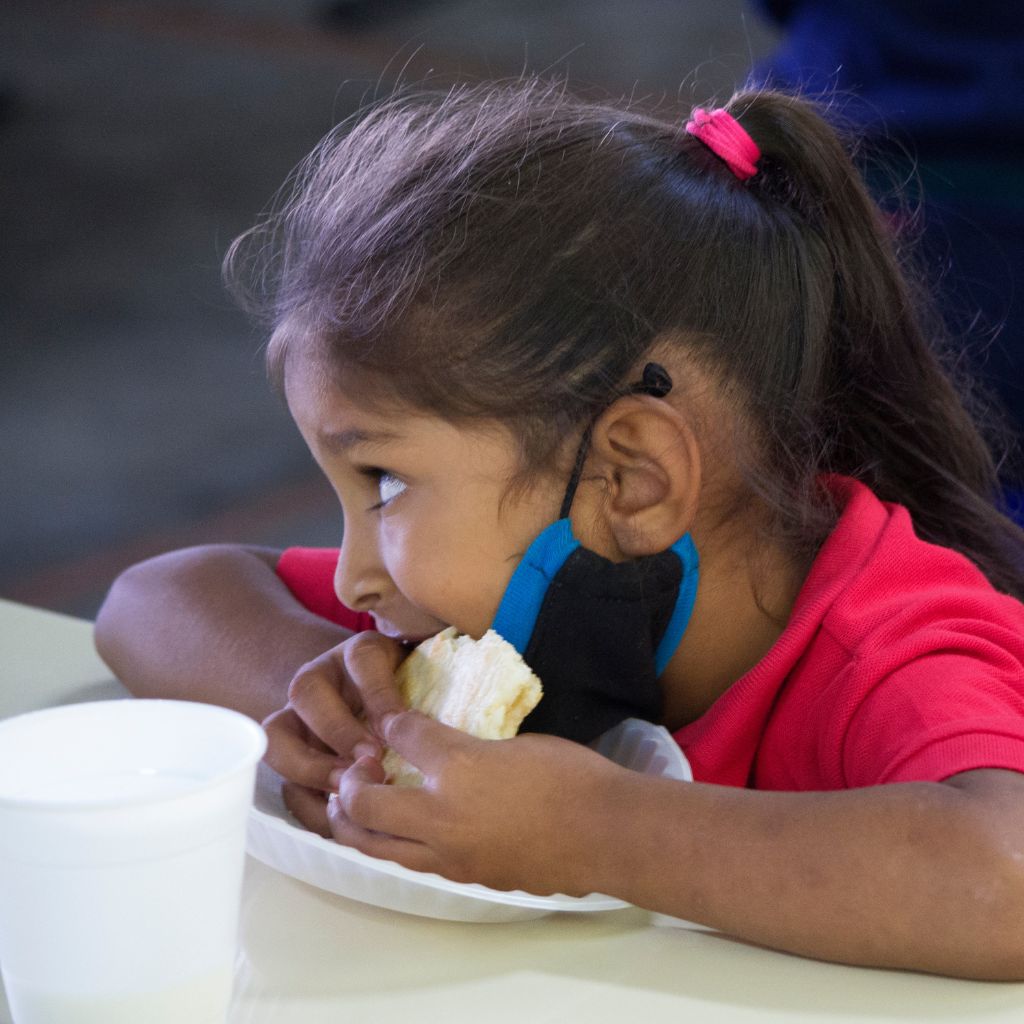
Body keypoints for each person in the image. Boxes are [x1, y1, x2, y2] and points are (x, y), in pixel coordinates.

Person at [94, 78, 1024, 979]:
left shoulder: (883, 649)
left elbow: (1006, 876)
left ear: (630, 481)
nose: (352, 580)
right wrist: (341, 720)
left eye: (387, 484)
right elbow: (150, 601)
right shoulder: (490, 609)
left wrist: (593, 831)